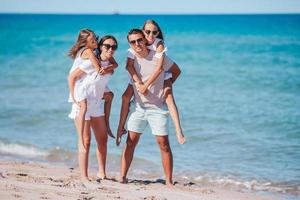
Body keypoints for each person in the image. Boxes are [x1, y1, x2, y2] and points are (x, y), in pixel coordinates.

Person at [118, 29, 180, 185]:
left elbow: (177, 71)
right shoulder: (132, 60)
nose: (137, 44)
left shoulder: (159, 57)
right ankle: (123, 177)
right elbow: (128, 69)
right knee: (130, 142)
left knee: (163, 144)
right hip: (139, 107)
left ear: (145, 40)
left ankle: (169, 181)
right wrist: (138, 83)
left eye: (139, 40)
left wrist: (167, 85)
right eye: (133, 42)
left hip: (157, 108)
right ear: (130, 44)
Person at [116, 20, 185, 146]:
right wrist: (139, 83)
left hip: (163, 73)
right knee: (125, 96)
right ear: (142, 32)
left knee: (168, 95)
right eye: (147, 32)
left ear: (158, 33)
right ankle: (120, 128)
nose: (151, 35)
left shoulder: (158, 45)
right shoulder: (135, 46)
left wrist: (162, 85)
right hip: (141, 79)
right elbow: (129, 66)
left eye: (154, 32)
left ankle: (178, 130)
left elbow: (162, 69)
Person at [68, 29, 118, 182]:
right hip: (82, 103)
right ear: (100, 47)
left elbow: (99, 83)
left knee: (102, 139)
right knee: (85, 140)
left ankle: (102, 173)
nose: (110, 49)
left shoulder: (110, 65)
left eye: (114, 47)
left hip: (96, 105)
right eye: (107, 46)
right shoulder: (90, 62)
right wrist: (75, 98)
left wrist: (106, 93)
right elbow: (72, 77)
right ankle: (84, 176)